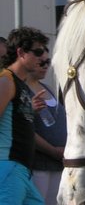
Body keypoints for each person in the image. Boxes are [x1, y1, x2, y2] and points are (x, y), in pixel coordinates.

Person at [0, 27, 48, 205]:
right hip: (8, 167)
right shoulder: (6, 81)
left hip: (20, 171)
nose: (42, 58)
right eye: (37, 52)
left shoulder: (19, 84)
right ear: (20, 52)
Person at [25, 46, 67, 204]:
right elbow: (27, 128)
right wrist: (53, 151)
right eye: (41, 61)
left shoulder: (47, 88)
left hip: (58, 165)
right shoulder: (23, 90)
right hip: (38, 165)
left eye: (47, 62)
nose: (45, 65)